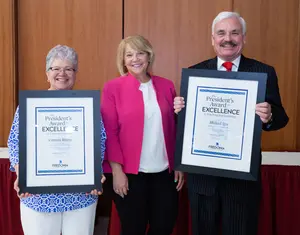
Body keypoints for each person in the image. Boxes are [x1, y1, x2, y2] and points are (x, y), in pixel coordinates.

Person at [174, 11, 289, 235]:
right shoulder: (195, 73)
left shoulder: (263, 72)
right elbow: (188, 127)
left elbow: (281, 117)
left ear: (244, 38)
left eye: (235, 33)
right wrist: (179, 111)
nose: (228, 38)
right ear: (213, 39)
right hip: (203, 179)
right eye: (221, 33)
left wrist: (270, 115)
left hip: (241, 181)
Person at [7, 45, 107, 235]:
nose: (62, 73)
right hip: (38, 196)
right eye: (56, 68)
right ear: (47, 73)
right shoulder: (30, 106)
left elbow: (99, 141)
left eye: (69, 68)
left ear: (76, 73)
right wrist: (23, 176)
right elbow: (15, 143)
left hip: (80, 196)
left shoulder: (87, 107)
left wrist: (95, 173)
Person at [101, 35, 184, 235]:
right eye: (129, 54)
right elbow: (109, 133)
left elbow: (175, 128)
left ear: (149, 56)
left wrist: (179, 164)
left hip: (164, 173)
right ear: (123, 60)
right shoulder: (112, 88)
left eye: (140, 53)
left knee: (163, 227)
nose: (135, 59)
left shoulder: (167, 85)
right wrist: (117, 171)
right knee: (133, 229)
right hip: (129, 175)